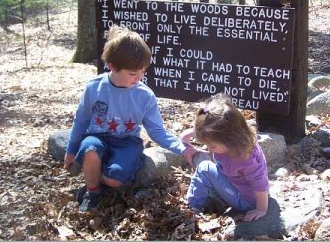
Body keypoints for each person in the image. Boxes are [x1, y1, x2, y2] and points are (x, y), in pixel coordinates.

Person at [64, 25, 198, 212]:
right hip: (98, 136)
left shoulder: (145, 96)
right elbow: (81, 120)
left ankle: (94, 173)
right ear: (112, 67)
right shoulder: (94, 88)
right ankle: (92, 191)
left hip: (127, 141)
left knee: (115, 178)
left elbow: (157, 131)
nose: (139, 77)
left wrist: (183, 149)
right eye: (132, 73)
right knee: (90, 149)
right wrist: (71, 150)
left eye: (143, 71)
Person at [181, 93, 269, 221]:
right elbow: (211, 126)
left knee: (204, 168)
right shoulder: (238, 135)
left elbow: (259, 181)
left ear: (229, 139)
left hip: (245, 201)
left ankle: (192, 208)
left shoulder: (244, 158)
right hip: (237, 184)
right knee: (207, 163)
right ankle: (213, 194)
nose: (208, 148)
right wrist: (189, 135)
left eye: (212, 146)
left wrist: (261, 209)